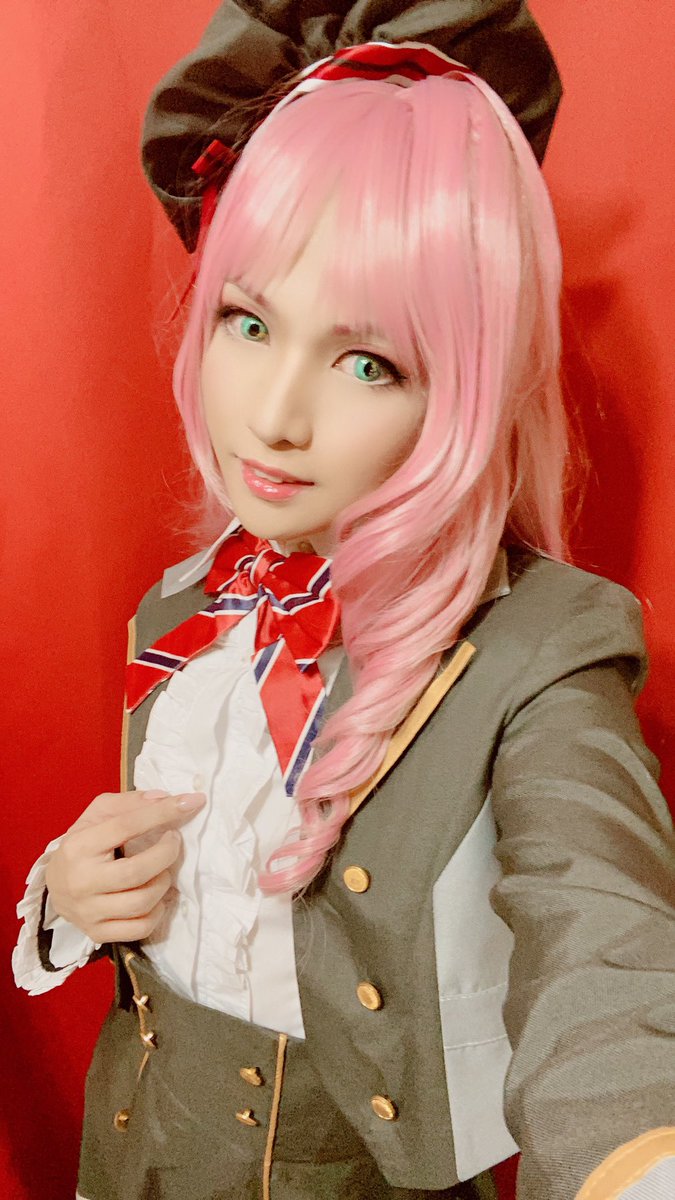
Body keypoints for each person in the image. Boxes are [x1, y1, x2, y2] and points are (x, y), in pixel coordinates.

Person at [13, 4, 675, 1199]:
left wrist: (634, 1158)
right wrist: (67, 899)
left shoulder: (540, 654)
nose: (274, 416)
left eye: (368, 362)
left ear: (466, 384)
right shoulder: (181, 609)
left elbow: (607, 955)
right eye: (248, 321)